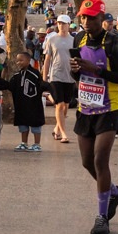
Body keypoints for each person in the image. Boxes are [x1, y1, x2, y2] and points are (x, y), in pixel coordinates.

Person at [70, 0, 118, 234]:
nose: (86, 22)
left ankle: (102, 216)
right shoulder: (78, 39)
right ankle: (114, 192)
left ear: (102, 18)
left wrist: (96, 70)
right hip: (85, 108)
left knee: (99, 159)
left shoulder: (114, 41)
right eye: (83, 17)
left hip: (109, 107)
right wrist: (76, 71)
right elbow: (78, 77)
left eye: (91, 17)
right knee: (86, 162)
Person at [0, 52, 47, 152]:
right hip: (21, 105)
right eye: (17, 61)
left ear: (28, 60)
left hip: (34, 105)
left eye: (21, 60)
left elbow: (41, 86)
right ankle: (24, 143)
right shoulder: (17, 76)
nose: (18, 63)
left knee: (35, 124)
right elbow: (11, 86)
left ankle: (37, 144)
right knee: (23, 124)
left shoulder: (35, 74)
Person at [42, 14, 76, 143]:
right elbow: (47, 59)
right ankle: (64, 133)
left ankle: (56, 128)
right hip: (56, 75)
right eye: (60, 23)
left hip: (69, 76)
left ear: (69, 25)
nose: (62, 26)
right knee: (59, 104)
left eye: (64, 23)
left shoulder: (73, 40)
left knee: (66, 105)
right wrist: (44, 79)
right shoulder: (52, 39)